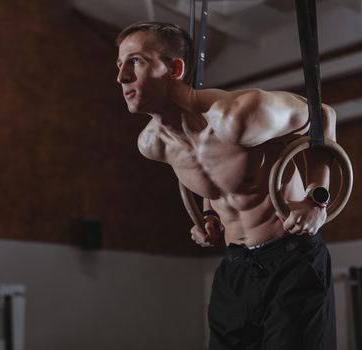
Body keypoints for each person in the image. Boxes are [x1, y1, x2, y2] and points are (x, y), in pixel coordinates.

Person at [116, 21, 336, 350]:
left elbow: (323, 115)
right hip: (235, 267)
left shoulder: (239, 118)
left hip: (291, 260)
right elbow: (215, 179)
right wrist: (210, 218)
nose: (121, 77)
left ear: (174, 68)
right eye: (119, 65)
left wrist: (316, 199)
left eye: (136, 61)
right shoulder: (154, 145)